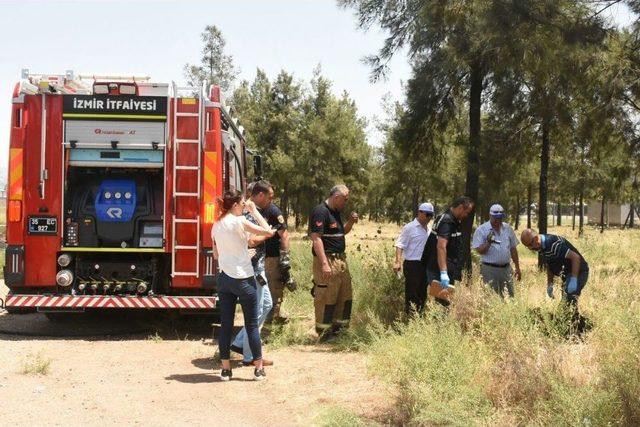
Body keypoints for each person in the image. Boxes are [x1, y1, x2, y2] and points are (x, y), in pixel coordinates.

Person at [212, 189, 275, 381]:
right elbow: (268, 231)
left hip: (224, 280)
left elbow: (216, 255)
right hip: (243, 279)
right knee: (252, 324)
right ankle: (258, 368)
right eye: (242, 204)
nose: (244, 207)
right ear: (235, 205)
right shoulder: (239, 221)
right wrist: (254, 211)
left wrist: (239, 254)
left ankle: (225, 369)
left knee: (226, 325)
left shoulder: (216, 225)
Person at [230, 181, 275, 366]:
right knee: (255, 313)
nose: (271, 200)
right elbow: (251, 241)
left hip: (258, 269)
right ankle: (250, 356)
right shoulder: (248, 212)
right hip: (253, 269)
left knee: (266, 305)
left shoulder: (253, 210)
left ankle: (241, 343)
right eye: (270, 196)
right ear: (260, 195)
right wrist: (268, 233)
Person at [309, 185, 358, 340]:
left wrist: (350, 222)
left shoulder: (336, 212)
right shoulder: (320, 211)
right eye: (345, 199)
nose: (346, 202)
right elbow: (316, 238)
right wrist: (324, 263)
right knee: (326, 296)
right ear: (336, 197)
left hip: (340, 261)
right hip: (327, 260)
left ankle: (339, 330)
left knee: (344, 295)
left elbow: (341, 232)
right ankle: (324, 333)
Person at [520, 228, 589, 332]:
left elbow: (575, 258)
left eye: (530, 245)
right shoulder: (541, 247)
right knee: (569, 303)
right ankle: (577, 327)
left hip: (578, 271)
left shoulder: (553, 244)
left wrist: (574, 279)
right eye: (527, 247)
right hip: (567, 274)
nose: (530, 248)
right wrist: (550, 284)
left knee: (568, 301)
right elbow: (550, 264)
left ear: (535, 238)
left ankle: (575, 330)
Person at [423, 196, 475, 304]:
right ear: (460, 207)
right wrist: (443, 272)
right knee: (443, 305)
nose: (466, 216)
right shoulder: (447, 221)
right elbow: (441, 246)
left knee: (442, 304)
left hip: (442, 268)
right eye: (466, 212)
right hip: (440, 270)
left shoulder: (449, 218)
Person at [472, 204, 522, 298]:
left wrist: (517, 267)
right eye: (495, 218)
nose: (498, 221)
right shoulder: (481, 230)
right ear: (490, 216)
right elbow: (479, 251)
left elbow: (513, 249)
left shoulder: (507, 228)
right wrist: (488, 243)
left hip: (506, 269)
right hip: (489, 269)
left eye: (500, 218)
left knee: (510, 296)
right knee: (490, 297)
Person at [393, 202, 435, 314]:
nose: (429, 218)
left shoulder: (430, 229)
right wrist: (398, 261)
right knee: (412, 293)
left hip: (425, 266)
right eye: (427, 214)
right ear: (420, 213)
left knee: (422, 293)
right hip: (412, 265)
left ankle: (419, 316)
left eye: (431, 215)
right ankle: (410, 318)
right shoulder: (409, 228)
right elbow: (400, 245)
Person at [262, 187, 293, 325]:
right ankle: (267, 321)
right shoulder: (254, 210)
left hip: (272, 258)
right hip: (258, 259)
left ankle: (270, 326)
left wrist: (284, 258)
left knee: (274, 290)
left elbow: (284, 235)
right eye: (270, 196)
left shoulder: (273, 211)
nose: (272, 199)